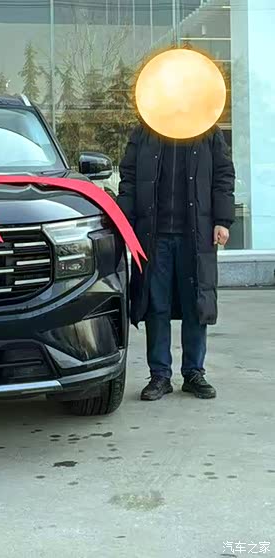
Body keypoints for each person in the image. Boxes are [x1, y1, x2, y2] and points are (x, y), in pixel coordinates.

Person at [117, 123, 235, 401]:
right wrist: (125, 222)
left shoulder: (207, 130)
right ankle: (160, 375)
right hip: (153, 234)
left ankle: (194, 372)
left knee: (196, 302)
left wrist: (222, 220)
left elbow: (223, 175)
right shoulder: (145, 131)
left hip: (196, 234)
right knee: (155, 304)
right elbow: (129, 178)